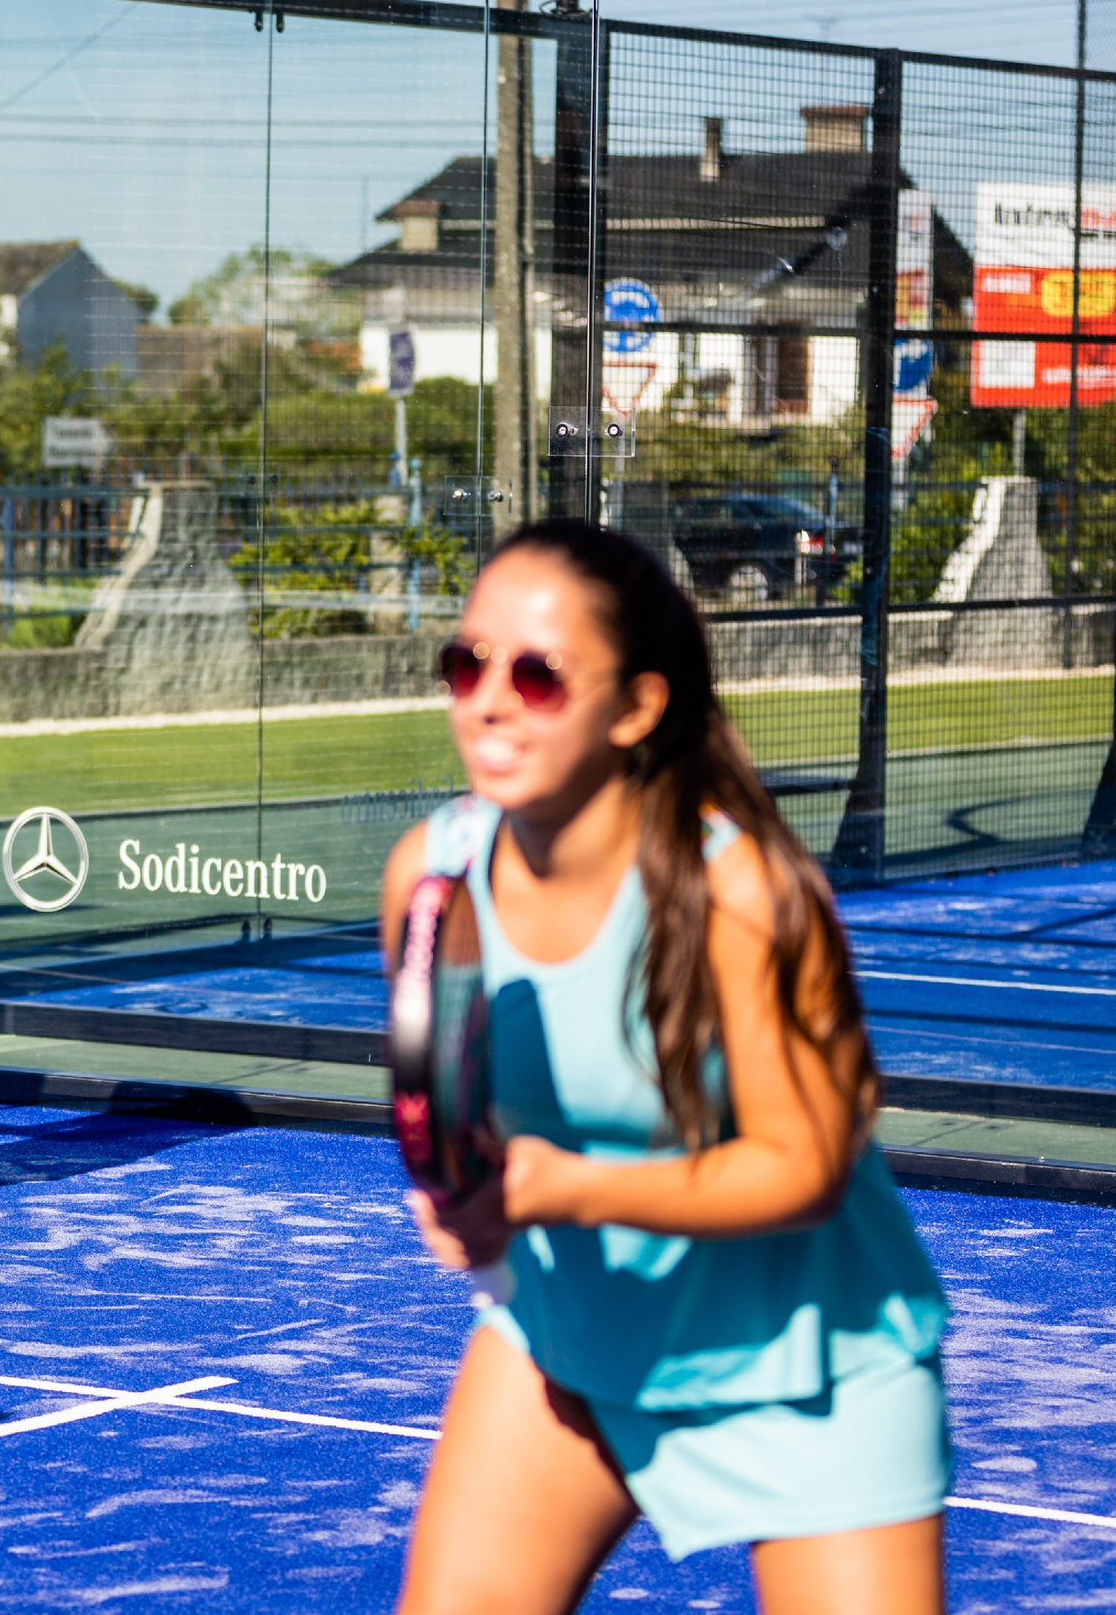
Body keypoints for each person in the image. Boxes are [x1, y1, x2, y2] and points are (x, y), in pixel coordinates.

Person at [383, 519, 950, 1614]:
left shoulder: (744, 892)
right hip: (571, 1334)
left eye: (538, 676)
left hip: (811, 1364)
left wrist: (557, 1188)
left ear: (637, 707)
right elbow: (458, 1113)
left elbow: (804, 1167)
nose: (487, 700)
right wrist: (465, 1202)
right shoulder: (431, 876)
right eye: (465, 663)